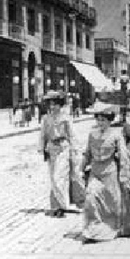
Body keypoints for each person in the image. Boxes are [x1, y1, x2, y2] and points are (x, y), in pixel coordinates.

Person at [79, 102, 130, 243]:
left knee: (113, 202)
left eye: (103, 120)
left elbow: (123, 155)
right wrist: (81, 167)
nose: (100, 123)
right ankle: (93, 229)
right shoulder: (92, 134)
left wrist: (124, 174)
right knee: (91, 197)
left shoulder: (116, 135)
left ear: (109, 121)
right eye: (98, 120)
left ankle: (113, 227)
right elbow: (87, 153)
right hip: (95, 172)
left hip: (110, 173)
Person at [39, 90, 84, 218]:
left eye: (55, 104)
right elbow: (43, 135)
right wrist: (42, 149)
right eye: (50, 104)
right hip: (51, 149)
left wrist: (75, 149)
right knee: (54, 177)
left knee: (60, 177)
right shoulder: (46, 118)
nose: (52, 107)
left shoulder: (65, 118)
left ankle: (64, 204)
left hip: (63, 148)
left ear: (60, 105)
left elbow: (72, 134)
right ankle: (57, 206)